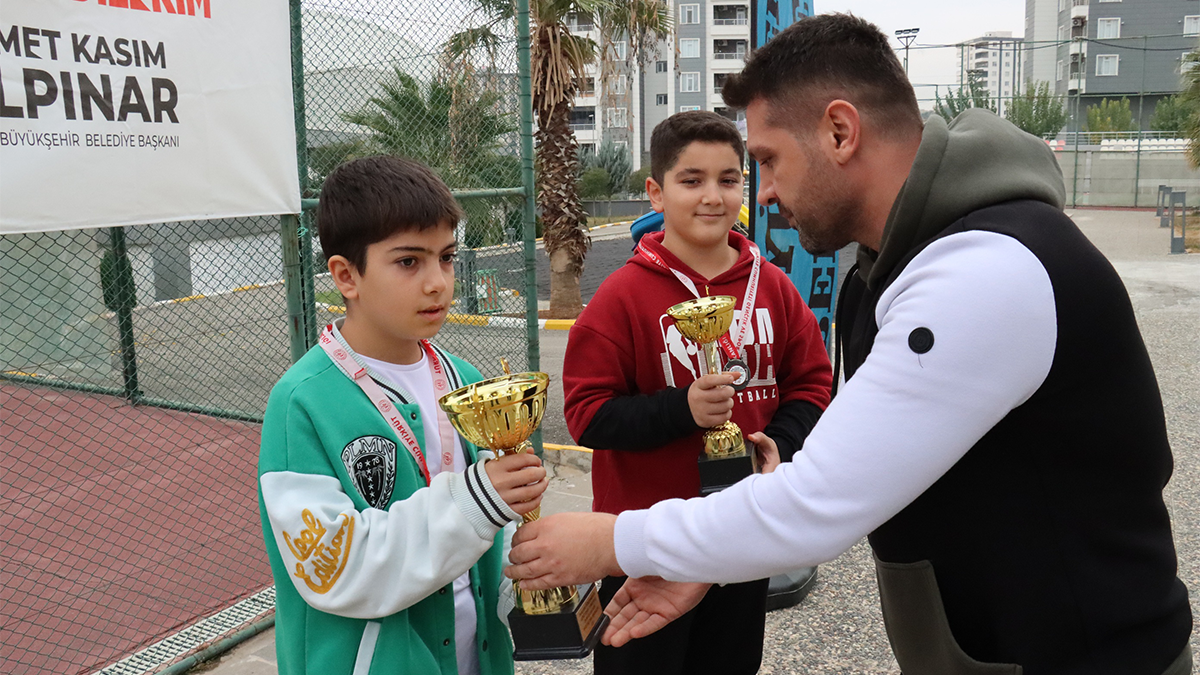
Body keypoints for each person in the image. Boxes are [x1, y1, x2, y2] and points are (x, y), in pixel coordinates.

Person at [505, 14, 1194, 675]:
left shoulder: (985, 270)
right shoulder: (898, 267)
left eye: (768, 161)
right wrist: (708, 555)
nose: (762, 193)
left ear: (840, 131)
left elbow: (816, 504)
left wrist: (607, 540)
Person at [561, 110, 832, 675]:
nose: (713, 196)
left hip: (740, 530)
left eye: (729, 179)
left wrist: (779, 442)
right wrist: (679, 409)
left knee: (732, 663)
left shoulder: (773, 287)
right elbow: (587, 416)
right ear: (656, 193)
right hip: (645, 543)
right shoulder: (622, 297)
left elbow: (812, 382)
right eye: (692, 180)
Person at [257, 156, 547, 675]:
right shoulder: (301, 402)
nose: (438, 282)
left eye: (447, 257)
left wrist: (527, 579)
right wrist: (479, 500)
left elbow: (486, 534)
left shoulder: (462, 378)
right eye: (409, 262)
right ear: (347, 276)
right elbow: (337, 570)